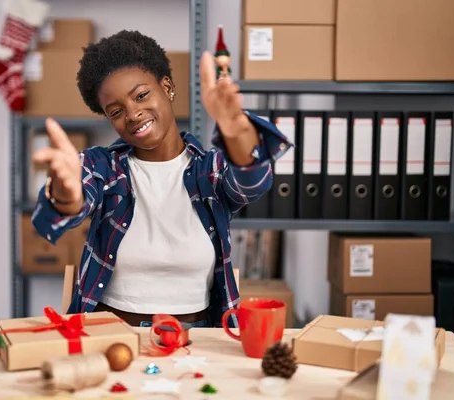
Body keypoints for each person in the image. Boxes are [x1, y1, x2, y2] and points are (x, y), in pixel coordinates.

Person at [31, 30, 292, 328]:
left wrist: (236, 130)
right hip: (112, 336)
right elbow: (66, 207)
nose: (133, 114)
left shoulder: (209, 171)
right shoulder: (103, 167)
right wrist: (67, 194)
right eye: (116, 111)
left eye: (141, 95)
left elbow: (252, 183)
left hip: (199, 342)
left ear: (166, 86)